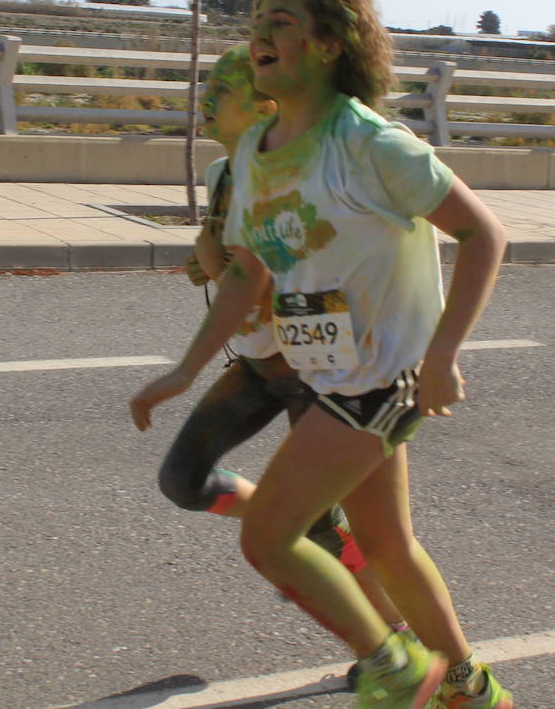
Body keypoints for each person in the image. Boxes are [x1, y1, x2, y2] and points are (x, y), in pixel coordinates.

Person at [130, 0, 514, 709]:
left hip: (384, 375)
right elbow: (248, 275)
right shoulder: (252, 153)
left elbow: (483, 234)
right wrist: (184, 371)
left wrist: (443, 357)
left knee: (269, 536)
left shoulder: (370, 145)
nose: (261, 35)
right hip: (325, 372)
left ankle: (394, 667)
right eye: (256, 23)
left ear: (331, 44)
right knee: (385, 545)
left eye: (282, 21)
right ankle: (469, 686)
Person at [139, 46, 411, 661]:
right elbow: (222, 269)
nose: (204, 102)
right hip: (258, 364)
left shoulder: (301, 171)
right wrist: (204, 258)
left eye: (219, 93)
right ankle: (283, 523)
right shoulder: (220, 175)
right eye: (204, 91)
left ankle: (392, 639)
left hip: (316, 371)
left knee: (332, 532)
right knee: (182, 481)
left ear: (264, 105)